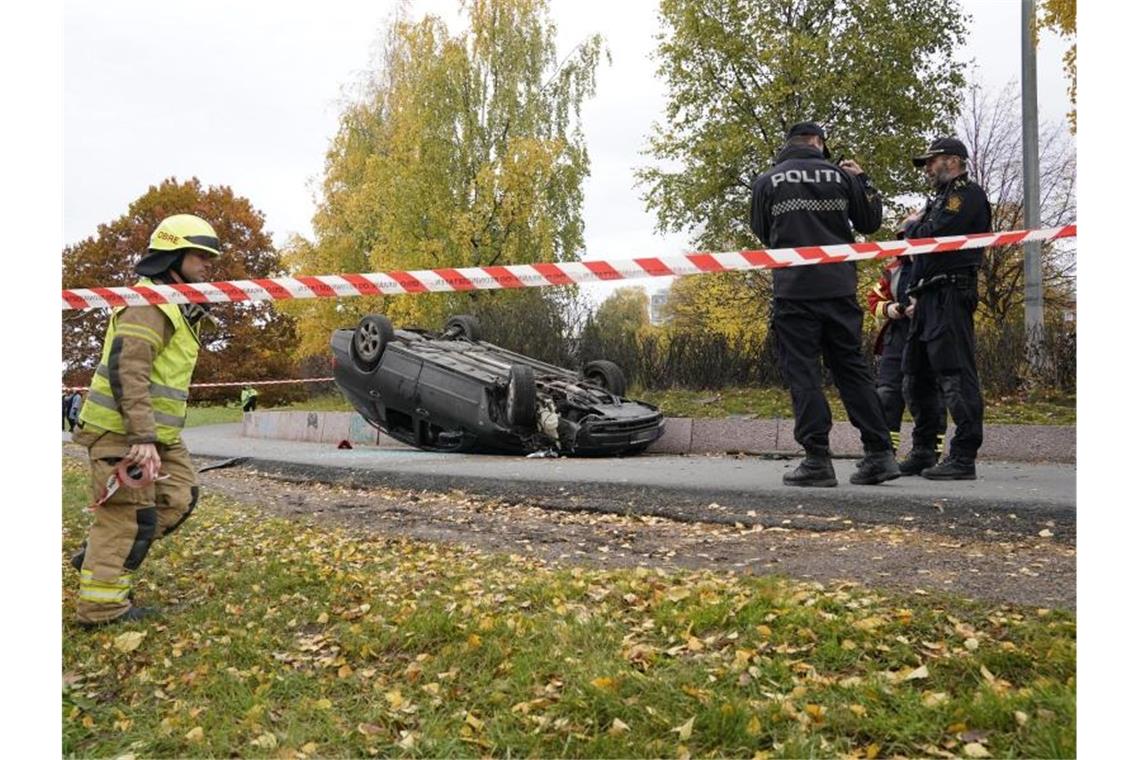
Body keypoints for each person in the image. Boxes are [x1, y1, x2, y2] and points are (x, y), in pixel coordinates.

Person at [70, 214, 222, 627]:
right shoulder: (150, 304)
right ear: (173, 254)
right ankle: (101, 609)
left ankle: (99, 556)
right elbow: (129, 370)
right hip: (123, 433)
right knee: (126, 517)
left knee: (179, 497)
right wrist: (142, 437)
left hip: (157, 436)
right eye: (200, 255)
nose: (209, 264)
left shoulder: (174, 305)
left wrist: (154, 437)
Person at [750, 122, 900, 487]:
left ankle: (817, 459)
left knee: (804, 375)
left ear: (790, 144)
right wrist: (863, 180)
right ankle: (880, 454)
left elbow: (761, 231)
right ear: (818, 143)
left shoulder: (767, 181)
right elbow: (870, 223)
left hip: (794, 291)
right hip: (839, 289)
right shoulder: (841, 176)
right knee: (852, 371)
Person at [898, 137, 992, 480]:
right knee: (915, 377)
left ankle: (963, 456)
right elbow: (914, 242)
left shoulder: (965, 195)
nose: (926, 169)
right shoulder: (939, 198)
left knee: (955, 375)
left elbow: (929, 235)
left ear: (951, 161)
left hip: (951, 292)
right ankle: (924, 450)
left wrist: (911, 226)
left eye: (931, 161)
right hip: (926, 297)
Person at [867, 255, 946, 469]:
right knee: (887, 392)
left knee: (930, 393)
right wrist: (892, 309)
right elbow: (873, 299)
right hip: (898, 335)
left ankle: (928, 451)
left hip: (931, 332)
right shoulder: (894, 269)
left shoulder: (943, 263)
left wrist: (925, 308)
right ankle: (885, 452)